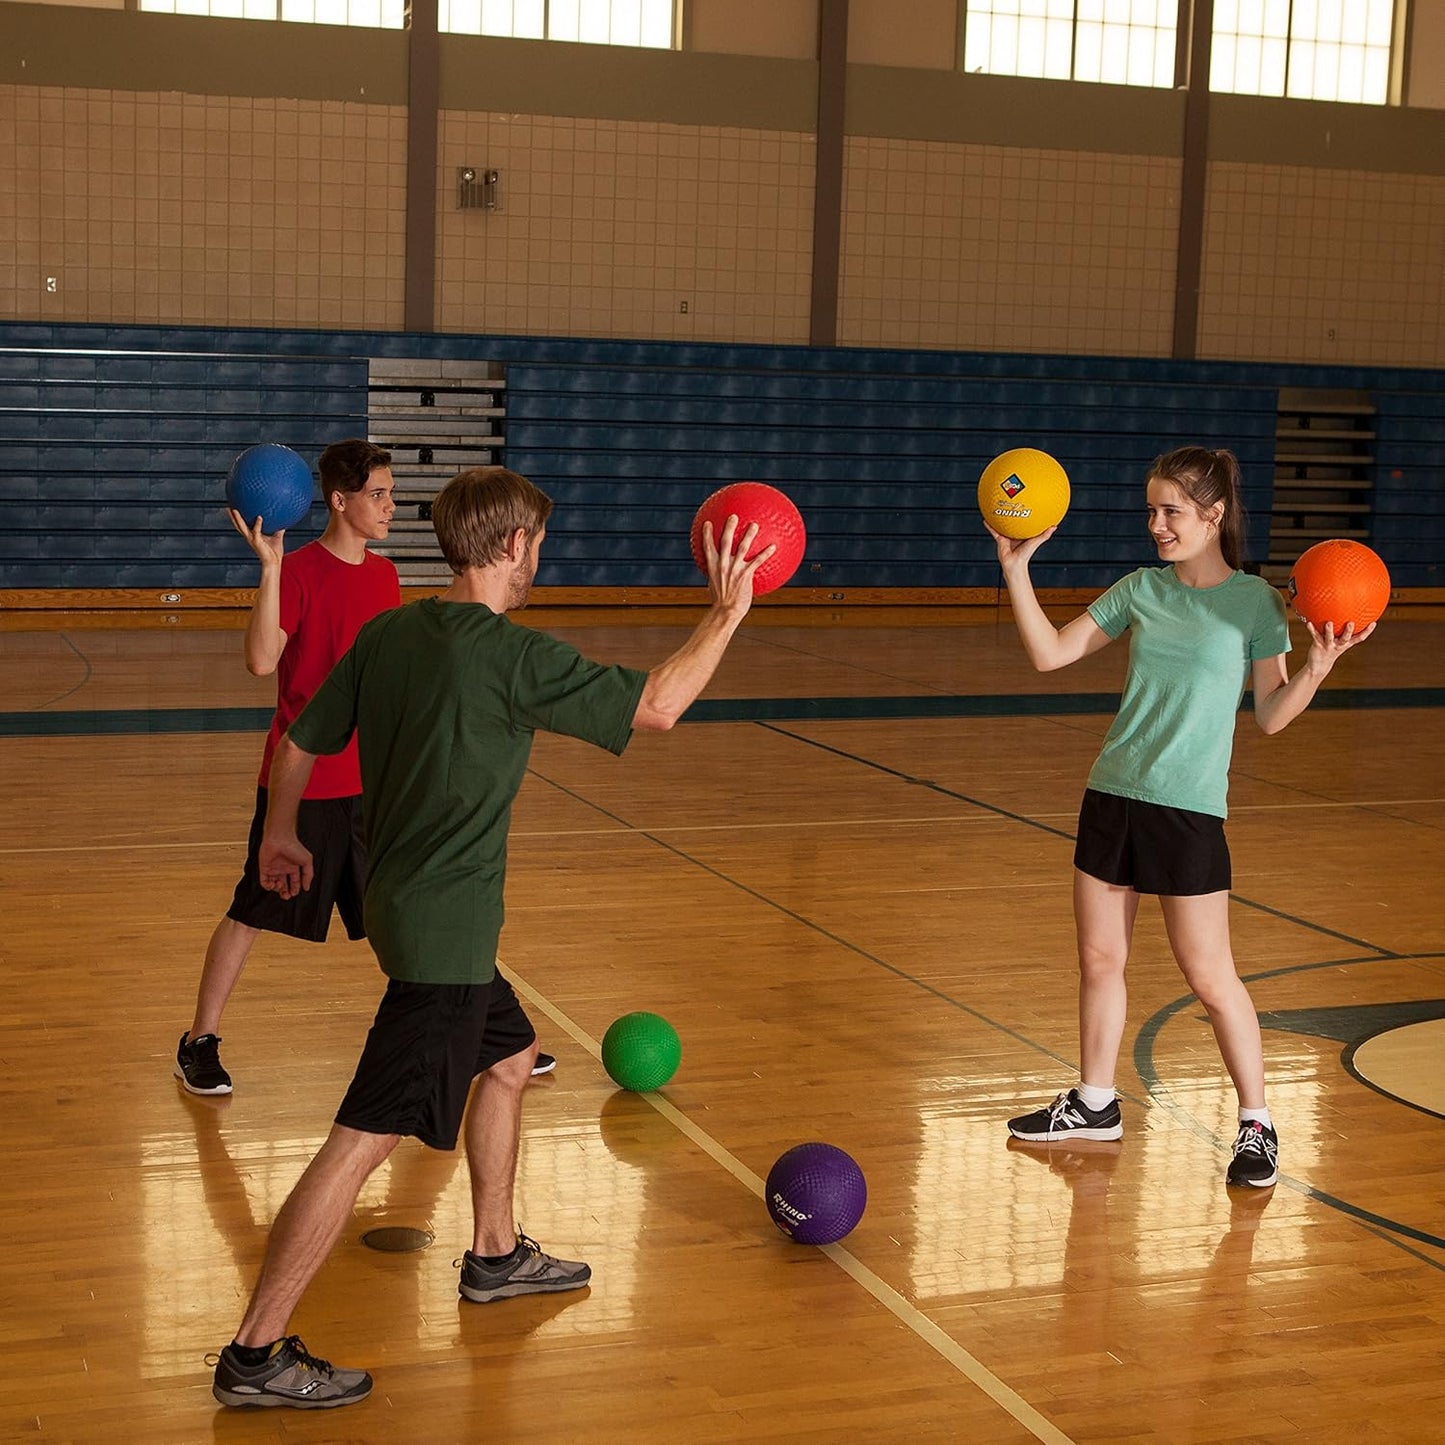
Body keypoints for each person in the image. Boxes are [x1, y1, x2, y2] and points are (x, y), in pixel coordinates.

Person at [210, 466, 773, 1410]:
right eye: (538, 542)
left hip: (405, 912)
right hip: (443, 946)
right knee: (357, 1143)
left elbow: (301, 738)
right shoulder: (507, 654)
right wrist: (726, 613)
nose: (538, 555)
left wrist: (278, 830)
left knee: (508, 1057)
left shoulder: (392, 632)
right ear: (514, 545)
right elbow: (660, 705)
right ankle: (254, 1354)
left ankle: (496, 1252)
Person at [994, 446, 1372, 1189]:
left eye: (1170, 511)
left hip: (1188, 810)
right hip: (1111, 794)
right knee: (1100, 961)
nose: (1155, 524)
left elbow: (1266, 715)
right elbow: (1049, 654)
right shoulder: (1140, 589)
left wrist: (1317, 669)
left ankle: (1256, 1122)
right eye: (1150, 510)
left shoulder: (1255, 603)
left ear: (1213, 515)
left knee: (1209, 976)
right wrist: (1015, 568)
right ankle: (1096, 1101)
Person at [175, 438, 402, 1096]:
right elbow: (260, 662)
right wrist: (270, 572)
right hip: (300, 787)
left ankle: (470, 1026)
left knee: (407, 914)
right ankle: (199, 1041)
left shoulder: (385, 578)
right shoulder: (298, 571)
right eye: (378, 494)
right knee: (252, 910)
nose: (391, 506)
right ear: (339, 500)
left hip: (371, 785)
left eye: (389, 493)